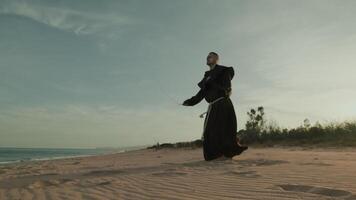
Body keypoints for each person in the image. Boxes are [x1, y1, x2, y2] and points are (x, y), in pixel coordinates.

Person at [182, 52, 248, 161]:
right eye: (207, 56)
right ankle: (215, 156)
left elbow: (227, 88)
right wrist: (188, 102)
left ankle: (226, 155)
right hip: (213, 107)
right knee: (209, 132)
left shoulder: (223, 71)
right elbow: (200, 95)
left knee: (223, 131)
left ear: (216, 59)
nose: (208, 58)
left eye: (210, 56)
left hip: (223, 104)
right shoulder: (207, 77)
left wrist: (212, 82)